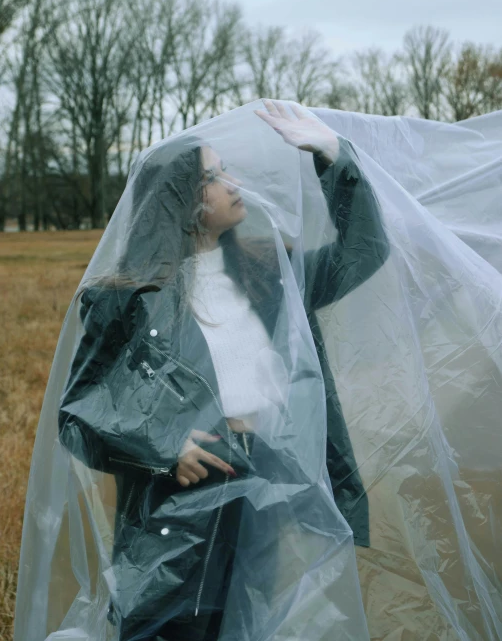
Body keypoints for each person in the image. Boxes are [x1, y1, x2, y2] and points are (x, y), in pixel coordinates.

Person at [57, 99, 389, 640]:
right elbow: (78, 414)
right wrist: (162, 443)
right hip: (181, 500)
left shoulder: (267, 273)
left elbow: (364, 252)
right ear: (182, 202)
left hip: (267, 483)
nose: (233, 182)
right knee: (173, 629)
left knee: (253, 624)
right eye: (213, 177)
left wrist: (333, 157)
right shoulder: (130, 300)